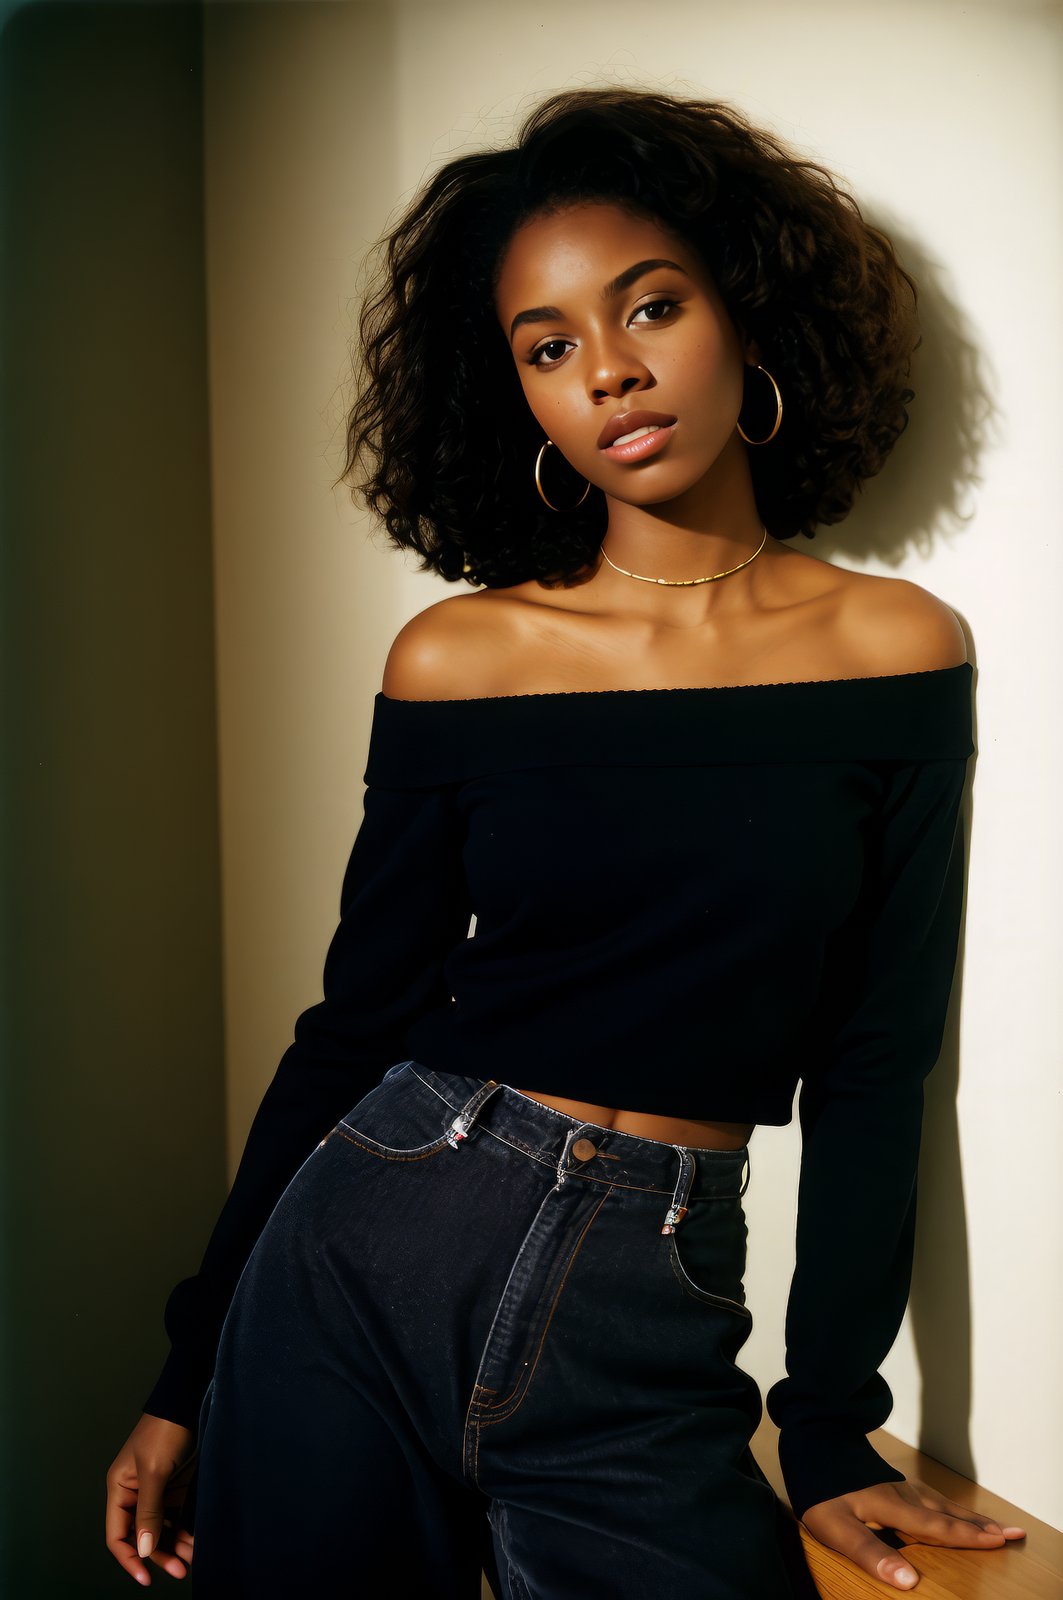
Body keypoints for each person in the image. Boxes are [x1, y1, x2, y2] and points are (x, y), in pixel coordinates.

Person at [105, 87, 1023, 1596]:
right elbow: (354, 1028)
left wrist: (836, 1433)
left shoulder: (897, 649)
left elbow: (879, 1059)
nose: (610, 370)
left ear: (748, 313)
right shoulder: (459, 661)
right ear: (515, 399)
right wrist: (181, 1370)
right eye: (548, 346)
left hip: (648, 1300)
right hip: (370, 1242)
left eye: (650, 306)